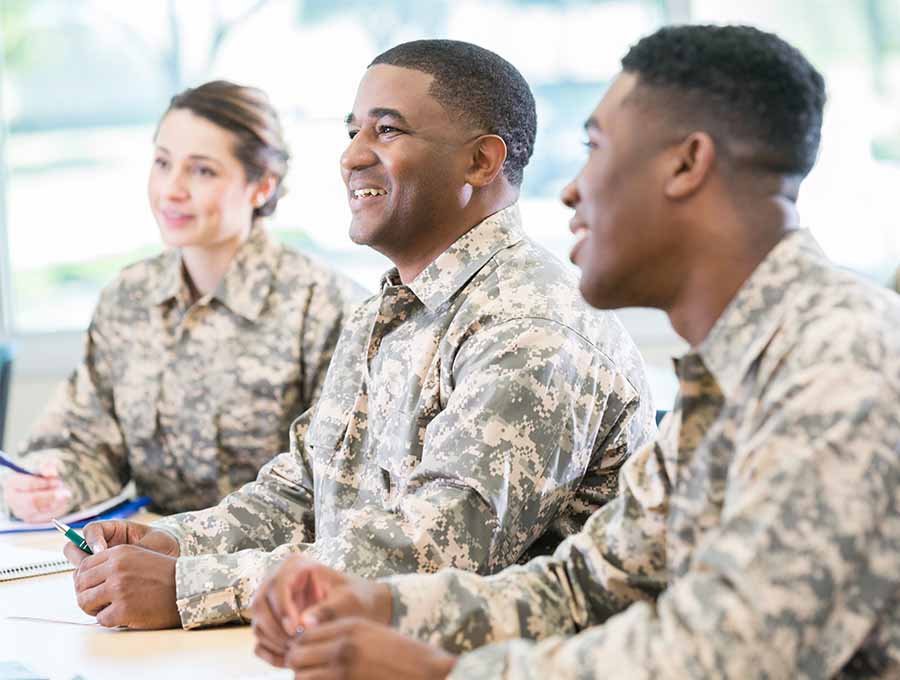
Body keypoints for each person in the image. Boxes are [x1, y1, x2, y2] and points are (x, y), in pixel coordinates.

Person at [249, 25, 900, 679]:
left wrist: (439, 675)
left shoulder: (839, 365)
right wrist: (384, 605)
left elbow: (723, 659)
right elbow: (585, 587)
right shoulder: (741, 367)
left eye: (595, 148)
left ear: (686, 164)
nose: (570, 189)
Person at [63, 40, 656, 631]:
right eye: (353, 132)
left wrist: (189, 588)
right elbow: (302, 491)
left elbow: (436, 550)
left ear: (480, 163)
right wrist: (169, 543)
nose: (351, 156)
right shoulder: (387, 312)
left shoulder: (532, 326)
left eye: (387, 131)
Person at [0, 80, 363, 522]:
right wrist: (53, 483)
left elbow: (333, 489)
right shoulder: (129, 298)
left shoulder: (324, 307)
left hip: (268, 572)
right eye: (162, 163)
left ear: (262, 186)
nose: (171, 189)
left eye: (202, 171)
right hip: (144, 562)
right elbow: (84, 445)